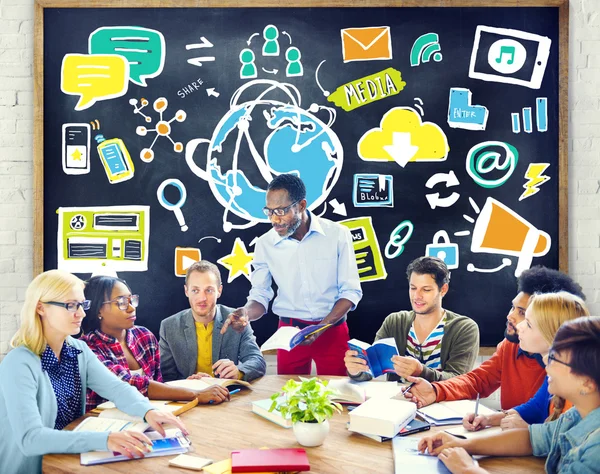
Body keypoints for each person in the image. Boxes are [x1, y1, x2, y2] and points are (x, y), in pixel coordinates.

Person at [0, 270, 188, 474]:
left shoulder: (77, 350)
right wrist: (105, 439)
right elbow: (30, 439)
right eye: (70, 305)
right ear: (40, 308)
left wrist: (148, 411)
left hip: (69, 462)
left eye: (82, 305)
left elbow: (116, 388)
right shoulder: (18, 363)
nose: (80, 313)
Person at [417, 315, 600, 474]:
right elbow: (531, 438)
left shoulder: (595, 450)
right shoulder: (576, 416)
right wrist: (462, 443)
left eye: (554, 357)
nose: (545, 360)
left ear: (587, 383)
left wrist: (469, 470)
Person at [220, 174, 363, 376]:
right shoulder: (265, 244)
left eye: (281, 211)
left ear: (301, 205)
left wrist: (321, 328)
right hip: (289, 333)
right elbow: (260, 296)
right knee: (287, 397)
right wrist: (245, 313)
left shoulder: (338, 235)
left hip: (332, 330)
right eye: (269, 212)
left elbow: (350, 291)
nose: (274, 220)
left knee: (338, 397)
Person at [403, 266, 585, 411]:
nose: (510, 316)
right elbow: (477, 381)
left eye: (523, 313)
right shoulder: (510, 347)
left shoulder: (567, 372)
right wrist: (436, 390)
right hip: (514, 438)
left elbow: (545, 424)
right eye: (512, 307)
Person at [81, 275, 230, 411]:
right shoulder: (87, 347)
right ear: (98, 310)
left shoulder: (144, 336)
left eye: (131, 300)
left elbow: (158, 385)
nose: (131, 308)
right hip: (105, 425)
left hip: (148, 418)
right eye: (121, 303)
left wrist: (187, 384)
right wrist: (195, 393)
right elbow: (129, 385)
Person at [462, 291, 589, 431]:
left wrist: (528, 430)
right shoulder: (554, 373)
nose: (520, 326)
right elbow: (535, 408)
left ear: (552, 334)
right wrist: (488, 419)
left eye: (528, 324)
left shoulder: (582, 391)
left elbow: (566, 441)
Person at [345, 256, 479, 383]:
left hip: (442, 404)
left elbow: (459, 381)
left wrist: (420, 371)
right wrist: (356, 370)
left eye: (426, 290)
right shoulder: (395, 322)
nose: (417, 296)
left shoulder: (464, 328)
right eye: (413, 288)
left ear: (443, 290)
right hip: (399, 402)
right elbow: (372, 370)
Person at [160, 261, 266, 382]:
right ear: (186, 291)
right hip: (189, 397)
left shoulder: (236, 320)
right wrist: (186, 385)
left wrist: (239, 371)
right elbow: (165, 376)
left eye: (209, 290)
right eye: (195, 290)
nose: (202, 298)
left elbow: (257, 361)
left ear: (219, 291)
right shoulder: (169, 326)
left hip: (229, 395)